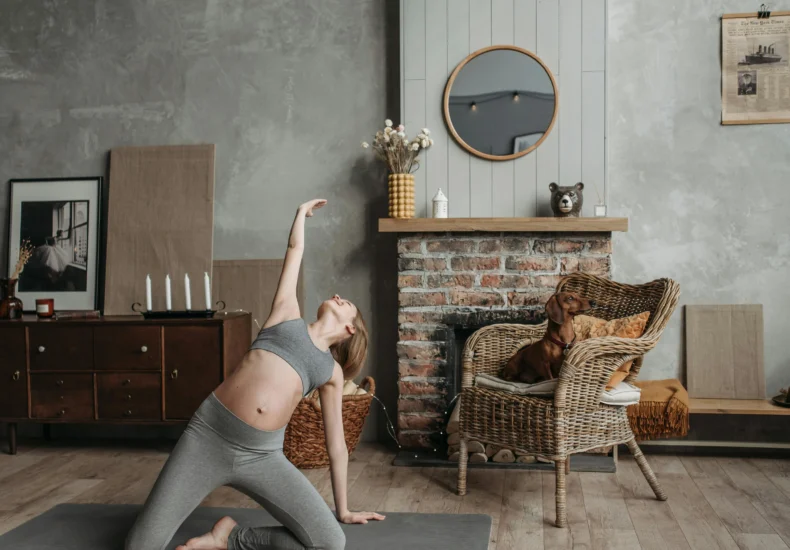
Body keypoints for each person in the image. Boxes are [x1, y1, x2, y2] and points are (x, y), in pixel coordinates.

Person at [125, 199, 384, 550]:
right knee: (138, 547)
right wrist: (300, 215)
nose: (338, 296)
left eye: (346, 302)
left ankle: (231, 539)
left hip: (262, 456)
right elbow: (295, 249)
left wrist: (344, 509)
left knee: (331, 543)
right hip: (208, 436)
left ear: (351, 329)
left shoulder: (331, 371)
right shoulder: (286, 314)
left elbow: (337, 446)